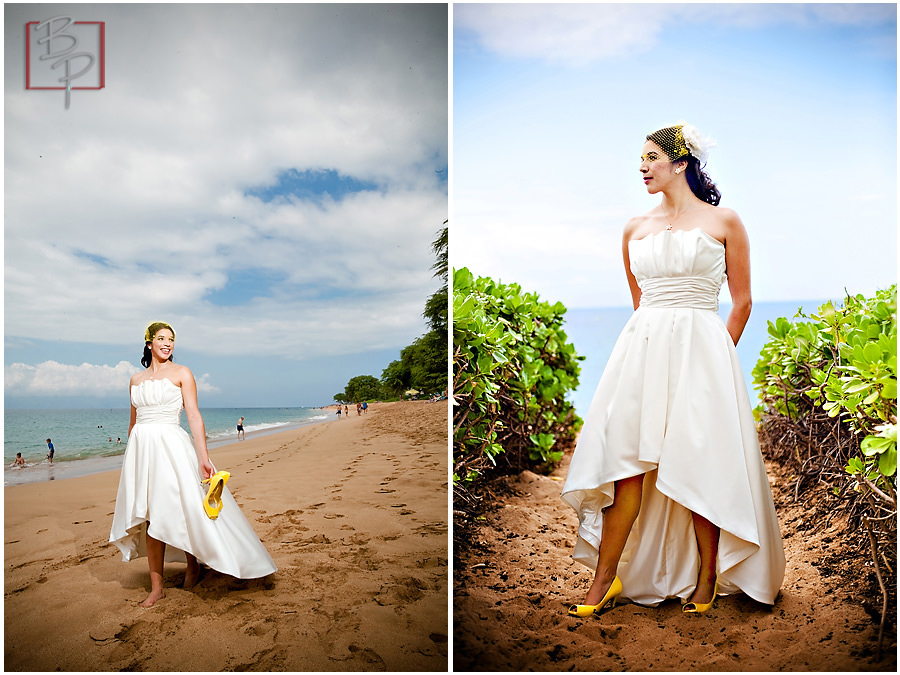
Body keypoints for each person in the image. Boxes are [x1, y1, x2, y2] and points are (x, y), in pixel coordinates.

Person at [561, 123, 785, 617]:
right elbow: (640, 301)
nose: (641, 167)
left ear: (680, 163)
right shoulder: (633, 228)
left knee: (698, 461)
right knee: (626, 468)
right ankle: (605, 579)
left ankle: (707, 577)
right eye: (639, 159)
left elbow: (743, 302)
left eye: (650, 157)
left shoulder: (725, 221)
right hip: (641, 352)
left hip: (703, 354)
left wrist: (715, 359)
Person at [109, 322, 276, 607]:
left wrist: (203, 457)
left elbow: (194, 416)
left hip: (172, 449)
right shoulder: (135, 380)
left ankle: (194, 563)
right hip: (142, 453)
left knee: (180, 508)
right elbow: (133, 423)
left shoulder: (183, 373)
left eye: (171, 339)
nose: (167, 343)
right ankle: (157, 587)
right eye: (161, 339)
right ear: (149, 343)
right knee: (150, 516)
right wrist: (130, 462)